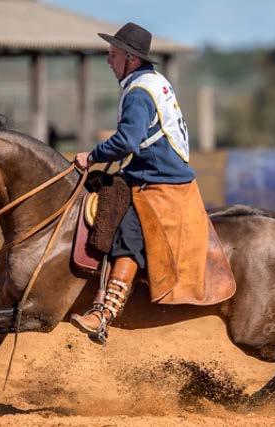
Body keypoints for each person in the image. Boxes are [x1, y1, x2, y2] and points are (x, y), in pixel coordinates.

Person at [71, 22, 202, 343]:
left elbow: (127, 141)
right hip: (150, 172)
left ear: (130, 58)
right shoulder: (152, 81)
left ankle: (105, 312)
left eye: (113, 54)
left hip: (157, 181)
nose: (108, 60)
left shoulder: (139, 92)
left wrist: (93, 156)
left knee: (125, 230)